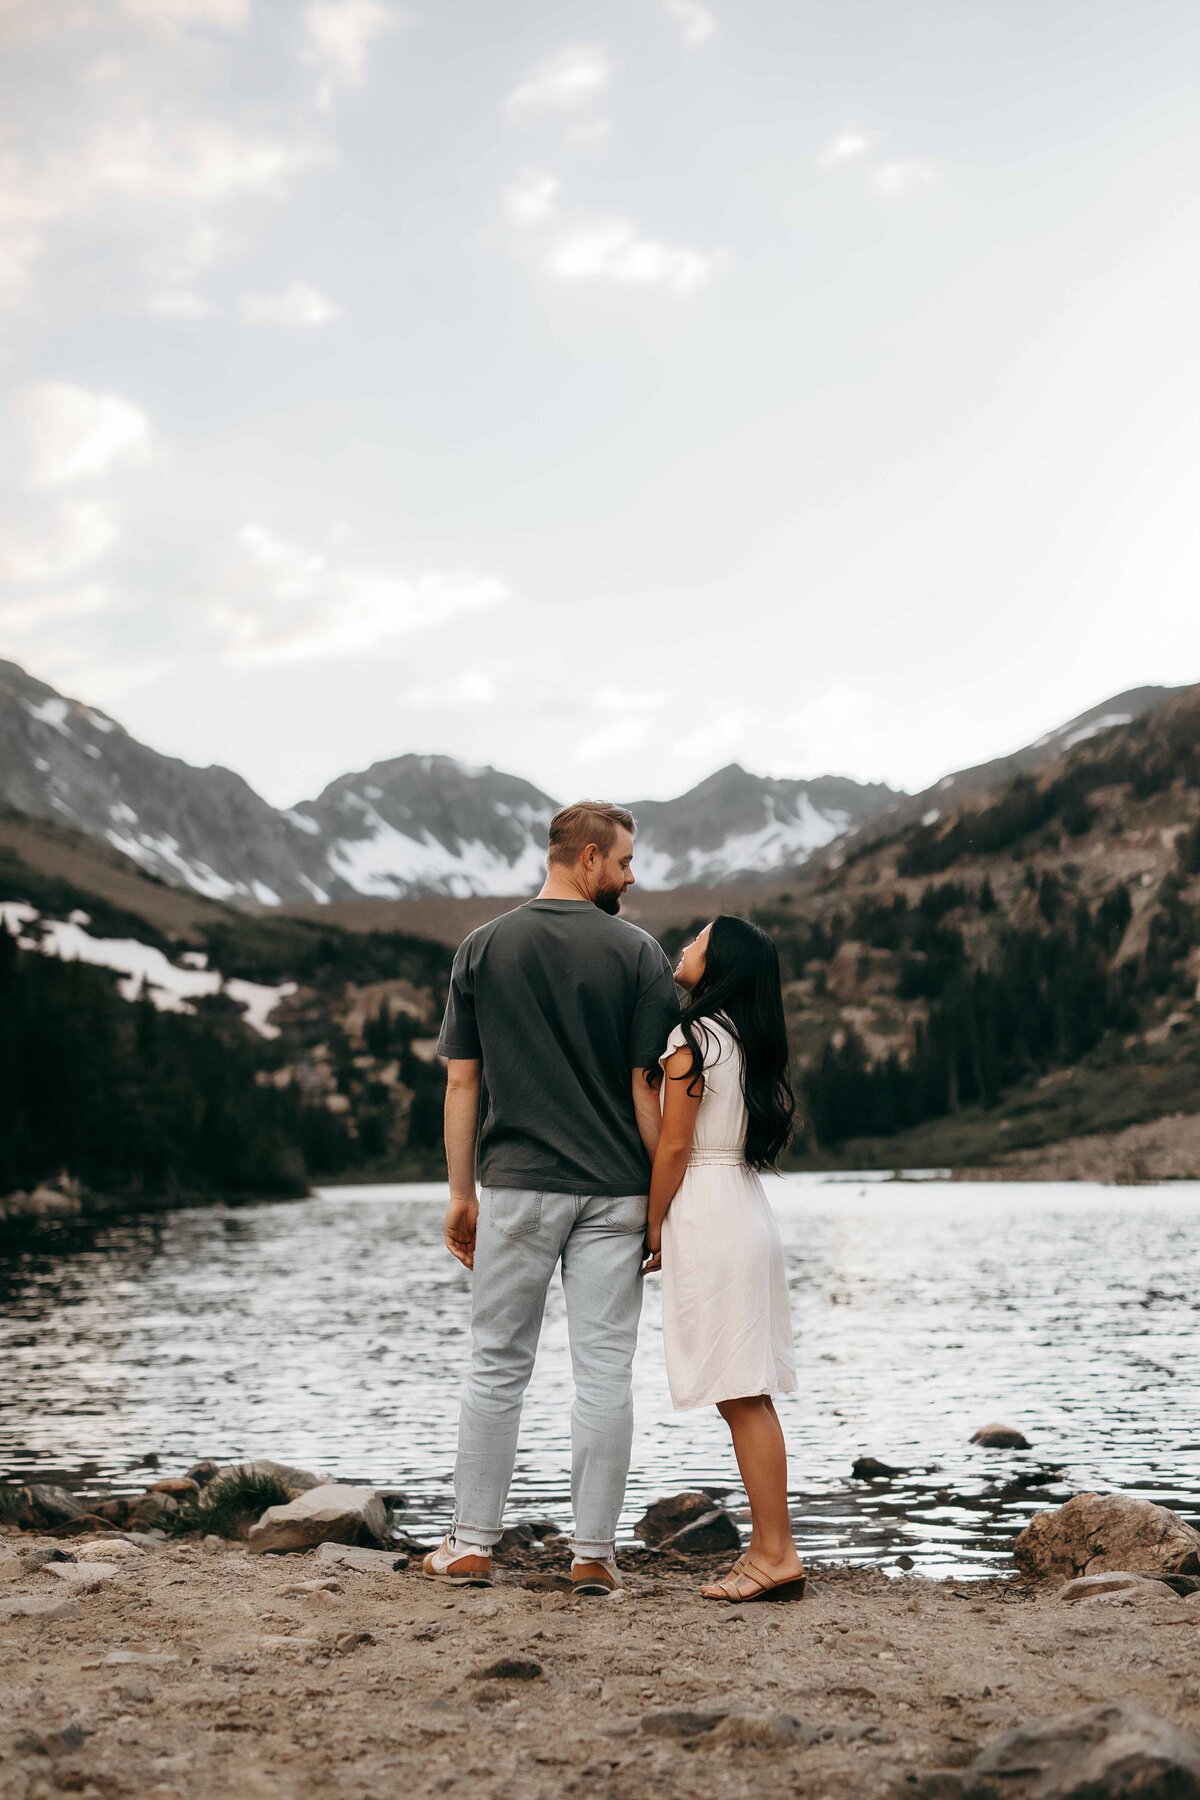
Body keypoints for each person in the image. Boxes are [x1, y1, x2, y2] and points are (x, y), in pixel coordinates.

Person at [424, 800, 681, 1596]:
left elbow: (462, 1080)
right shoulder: (639, 954)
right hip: (614, 1193)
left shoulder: (482, 948)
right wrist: (661, 1200)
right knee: (605, 1370)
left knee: (498, 1363)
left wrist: (461, 1192)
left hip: (517, 1187)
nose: (632, 877)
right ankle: (594, 1558)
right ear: (587, 857)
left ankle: (470, 1545)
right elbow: (648, 1088)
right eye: (625, 861)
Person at [643, 915, 805, 1603]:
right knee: (747, 1392)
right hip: (742, 1203)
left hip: (708, 1209)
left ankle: (776, 1552)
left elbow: (673, 1148)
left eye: (697, 942)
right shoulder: (741, 1038)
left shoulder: (692, 1039)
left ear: (719, 965)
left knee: (741, 1396)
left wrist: (651, 1229)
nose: (683, 948)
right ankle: (772, 1547)